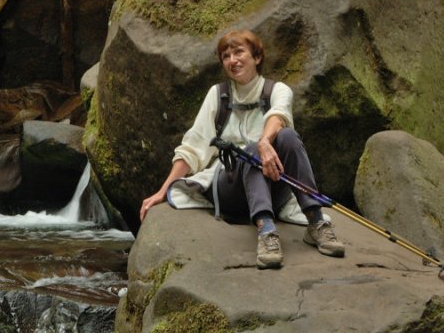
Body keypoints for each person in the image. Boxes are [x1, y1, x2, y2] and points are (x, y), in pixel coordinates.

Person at [139, 29, 344, 269]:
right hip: (230, 188)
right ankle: (266, 231)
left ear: (257, 57)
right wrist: (163, 190)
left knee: (287, 136)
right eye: (226, 56)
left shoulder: (278, 91)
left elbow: (279, 117)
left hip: (272, 185)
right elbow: (193, 148)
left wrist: (265, 142)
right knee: (253, 150)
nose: (232, 60)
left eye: (238, 52)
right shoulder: (218, 96)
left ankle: (316, 222)